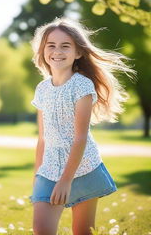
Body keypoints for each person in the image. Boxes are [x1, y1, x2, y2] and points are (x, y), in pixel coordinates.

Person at [28, 17, 136, 235]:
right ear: (43, 51)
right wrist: (37, 173)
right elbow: (43, 138)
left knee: (83, 232)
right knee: (41, 229)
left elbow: (80, 137)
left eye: (65, 46)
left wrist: (66, 180)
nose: (57, 51)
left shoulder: (82, 85)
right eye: (51, 45)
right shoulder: (41, 89)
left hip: (84, 167)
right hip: (48, 170)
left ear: (78, 52)